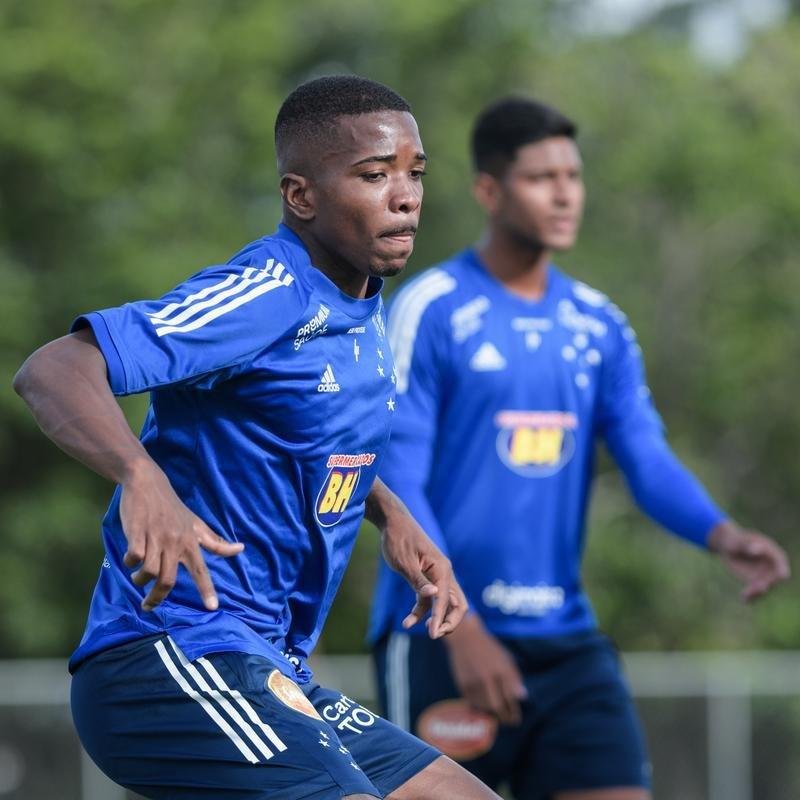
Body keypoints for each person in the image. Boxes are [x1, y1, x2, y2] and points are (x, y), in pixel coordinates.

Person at [13, 75, 502, 800]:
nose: (405, 195)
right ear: (301, 196)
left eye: (414, 173)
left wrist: (389, 512)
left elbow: (301, 432)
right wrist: (141, 478)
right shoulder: (270, 290)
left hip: (269, 662)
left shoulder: (361, 306)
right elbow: (53, 368)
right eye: (374, 176)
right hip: (168, 656)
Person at [369, 96, 791, 800]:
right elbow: (396, 470)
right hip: (444, 633)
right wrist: (460, 628)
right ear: (488, 190)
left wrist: (720, 534)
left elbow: (646, 457)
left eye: (574, 175)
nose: (565, 193)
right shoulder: (431, 307)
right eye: (541, 177)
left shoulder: (600, 324)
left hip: (565, 642)